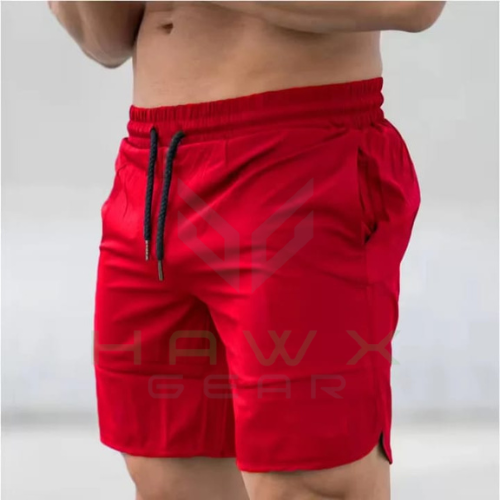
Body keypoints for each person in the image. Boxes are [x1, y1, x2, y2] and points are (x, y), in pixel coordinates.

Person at [49, 2, 445, 499]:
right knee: (167, 475)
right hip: (152, 170)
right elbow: (104, 42)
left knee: (309, 481)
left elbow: (412, 5)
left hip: (298, 156)